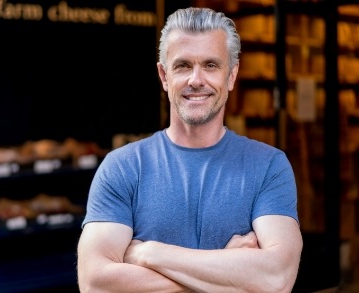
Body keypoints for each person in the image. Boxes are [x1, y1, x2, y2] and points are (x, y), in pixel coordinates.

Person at [77, 6, 303, 293]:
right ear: (164, 76)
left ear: (231, 76)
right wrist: (231, 269)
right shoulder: (122, 167)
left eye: (211, 65)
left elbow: (276, 279)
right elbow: (96, 283)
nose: (196, 80)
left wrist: (149, 254)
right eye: (183, 65)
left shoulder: (269, 166)